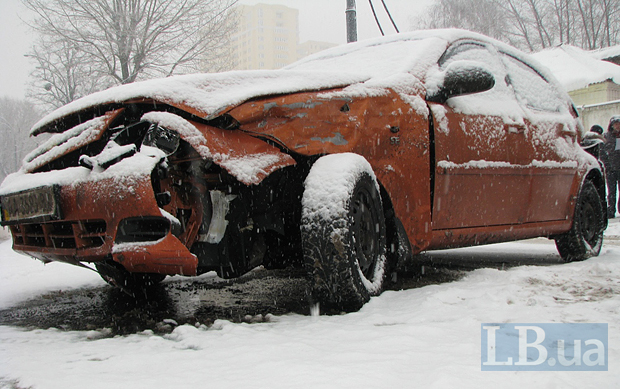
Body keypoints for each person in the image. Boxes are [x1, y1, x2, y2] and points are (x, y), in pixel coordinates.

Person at [601, 116, 620, 218]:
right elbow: (602, 152)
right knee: (611, 191)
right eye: (615, 124)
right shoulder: (606, 137)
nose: (617, 126)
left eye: (619, 124)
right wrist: (607, 164)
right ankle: (611, 210)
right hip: (611, 168)